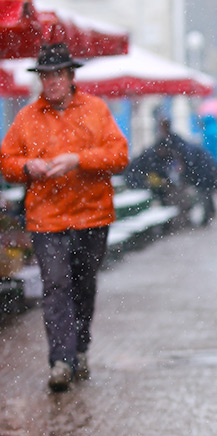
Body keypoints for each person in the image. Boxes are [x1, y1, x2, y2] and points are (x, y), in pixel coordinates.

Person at [0, 42, 129, 392]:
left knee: (84, 286)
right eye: (46, 76)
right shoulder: (27, 117)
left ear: (71, 76)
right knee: (56, 286)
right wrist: (28, 166)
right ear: (41, 79)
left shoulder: (96, 110)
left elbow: (119, 155)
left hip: (92, 216)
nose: (52, 81)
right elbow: (6, 161)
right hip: (47, 220)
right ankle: (61, 360)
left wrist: (78, 159)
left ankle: (80, 348)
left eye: (58, 74)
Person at [125, 119, 217, 224]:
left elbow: (186, 159)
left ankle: (209, 215)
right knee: (210, 188)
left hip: (203, 167)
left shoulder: (172, 144)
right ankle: (212, 212)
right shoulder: (172, 142)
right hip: (207, 163)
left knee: (206, 190)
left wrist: (184, 173)